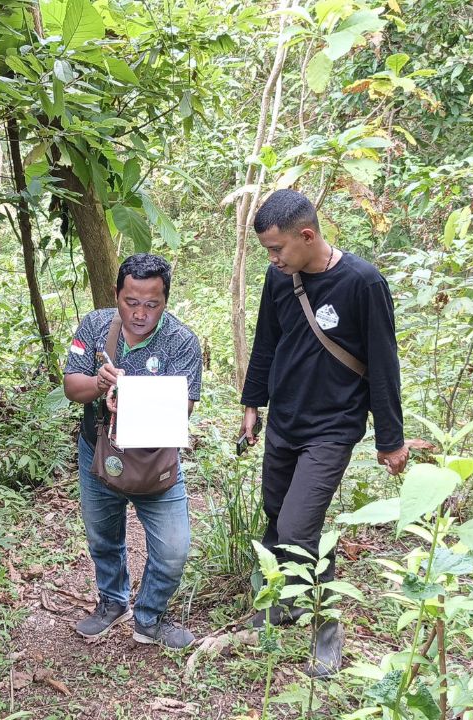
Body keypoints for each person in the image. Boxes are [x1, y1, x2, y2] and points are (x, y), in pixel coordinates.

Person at [239, 190, 408, 676]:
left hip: (332, 428)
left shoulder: (363, 283)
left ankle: (327, 627)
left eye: (277, 250)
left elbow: (383, 363)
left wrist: (389, 439)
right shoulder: (280, 278)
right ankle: (285, 602)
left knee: (296, 528)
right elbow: (266, 342)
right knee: (277, 515)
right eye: (268, 252)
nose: (272, 260)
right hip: (284, 421)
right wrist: (253, 403)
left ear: (307, 235)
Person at [62, 253, 202, 649]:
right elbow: (73, 387)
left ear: (166, 300)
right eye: (131, 302)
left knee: (174, 549)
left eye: (152, 304)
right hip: (99, 453)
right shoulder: (93, 326)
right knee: (102, 539)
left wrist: (131, 398)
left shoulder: (181, 341)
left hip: (155, 461)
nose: (140, 313)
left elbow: (184, 406)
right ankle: (112, 601)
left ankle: (151, 616)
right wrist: (98, 385)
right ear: (116, 294)